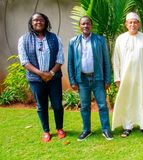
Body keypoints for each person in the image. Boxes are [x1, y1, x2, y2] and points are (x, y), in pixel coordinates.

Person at [18, 12, 65, 142]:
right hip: (36, 80)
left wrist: (51, 74)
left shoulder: (55, 38)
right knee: (41, 106)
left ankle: (60, 128)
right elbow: (24, 61)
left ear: (46, 22)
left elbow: (60, 59)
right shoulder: (23, 39)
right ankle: (46, 131)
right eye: (35, 20)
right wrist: (41, 74)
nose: (38, 22)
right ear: (31, 23)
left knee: (57, 105)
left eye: (41, 20)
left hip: (54, 78)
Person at [68, 16, 113, 141]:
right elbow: (70, 62)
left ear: (91, 26)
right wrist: (72, 80)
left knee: (103, 105)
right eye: (83, 24)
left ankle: (106, 129)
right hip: (82, 80)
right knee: (85, 106)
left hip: (98, 78)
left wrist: (107, 79)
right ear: (80, 26)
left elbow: (106, 61)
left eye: (88, 23)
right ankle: (86, 130)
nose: (85, 26)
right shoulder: (73, 42)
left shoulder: (100, 40)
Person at [112, 12, 143, 138]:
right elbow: (116, 60)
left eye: (135, 22)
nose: (133, 24)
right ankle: (127, 126)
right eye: (130, 22)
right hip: (126, 76)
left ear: (139, 24)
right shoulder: (120, 39)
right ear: (126, 24)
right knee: (128, 100)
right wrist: (117, 77)